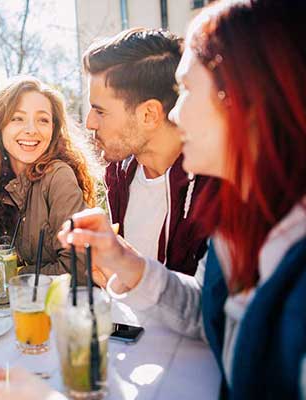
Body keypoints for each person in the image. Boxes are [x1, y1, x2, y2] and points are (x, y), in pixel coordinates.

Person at [59, 0, 306, 398]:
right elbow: (205, 312)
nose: (176, 114)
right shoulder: (240, 222)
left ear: (245, 102)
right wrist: (130, 264)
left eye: (188, 89)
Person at [0, 76, 96, 282]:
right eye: (17, 118)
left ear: (53, 130)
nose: (31, 129)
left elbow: (79, 267)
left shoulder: (58, 176)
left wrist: (10, 276)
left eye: (43, 120)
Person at [83, 28, 210, 282]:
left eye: (100, 111)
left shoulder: (212, 184)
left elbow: (208, 308)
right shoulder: (118, 173)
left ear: (149, 115)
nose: (89, 123)